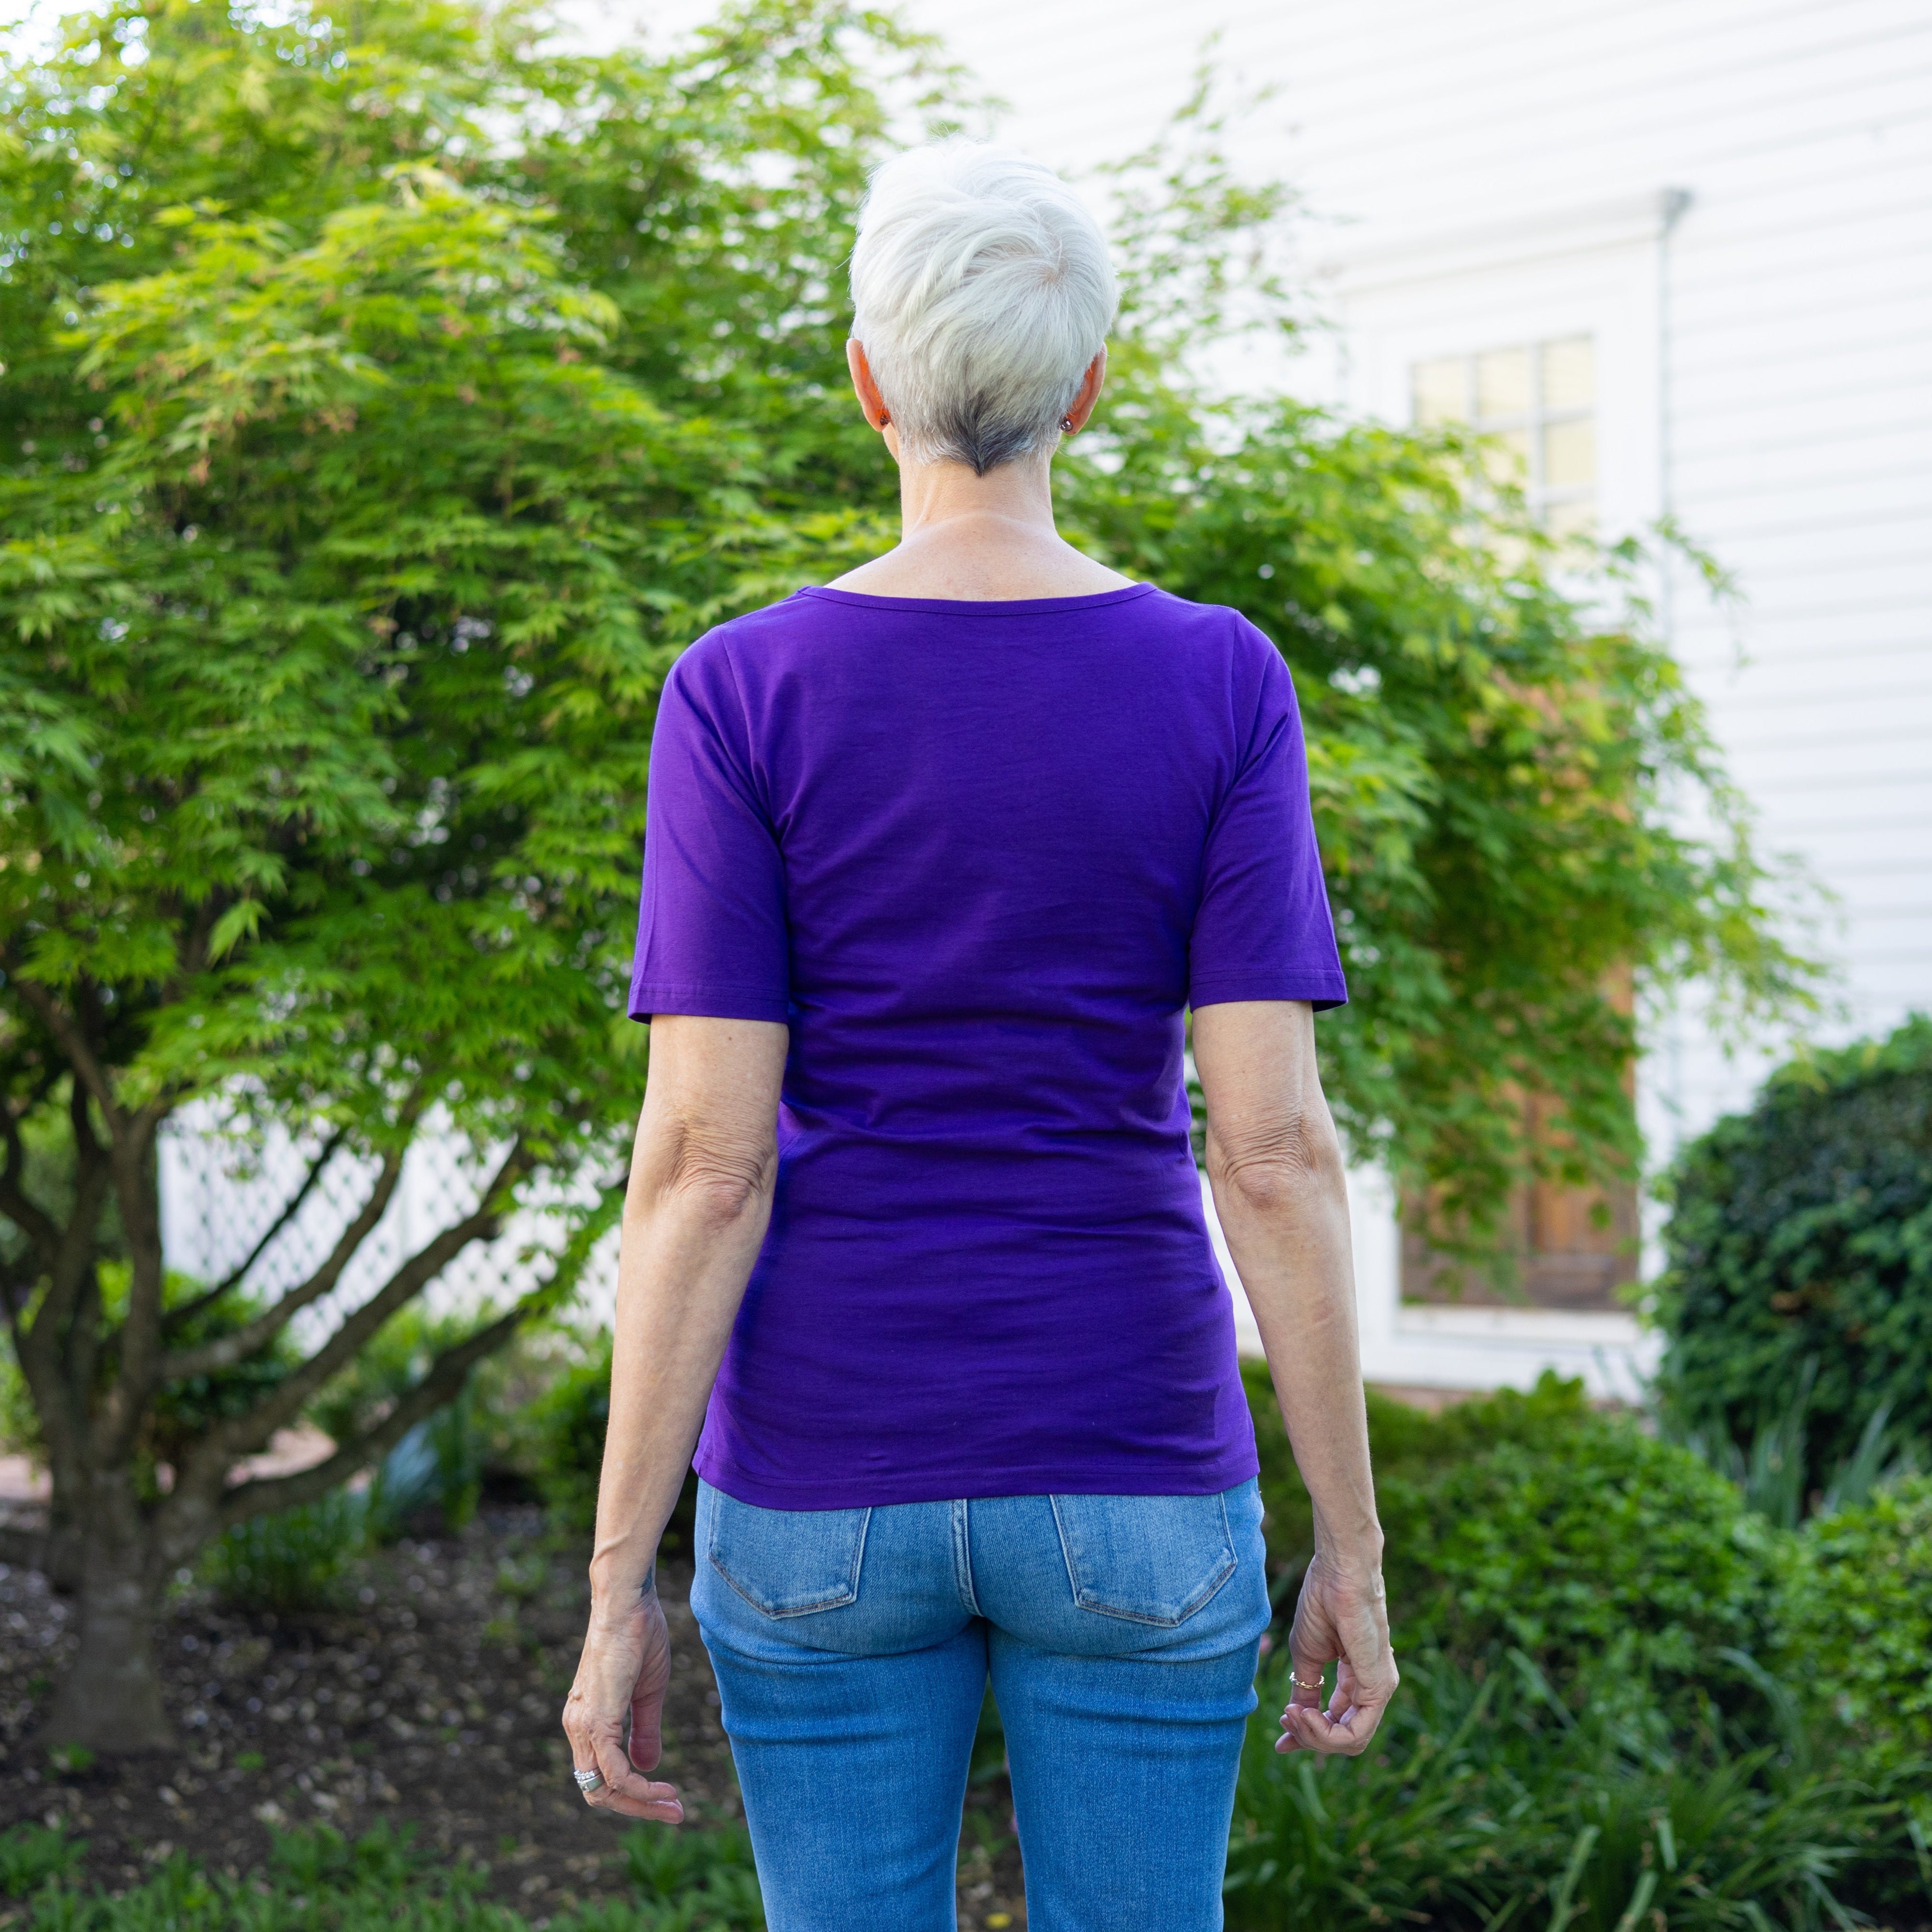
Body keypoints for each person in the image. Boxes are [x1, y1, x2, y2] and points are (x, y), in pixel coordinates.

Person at [562, 141, 1398, 1932]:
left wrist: (618, 1577)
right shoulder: (1222, 682)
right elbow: (1271, 1152)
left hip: (816, 1492)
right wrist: (1355, 1540)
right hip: (1135, 1465)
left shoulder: (739, 690)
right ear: (1086, 389)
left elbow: (704, 1168)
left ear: (868, 384)